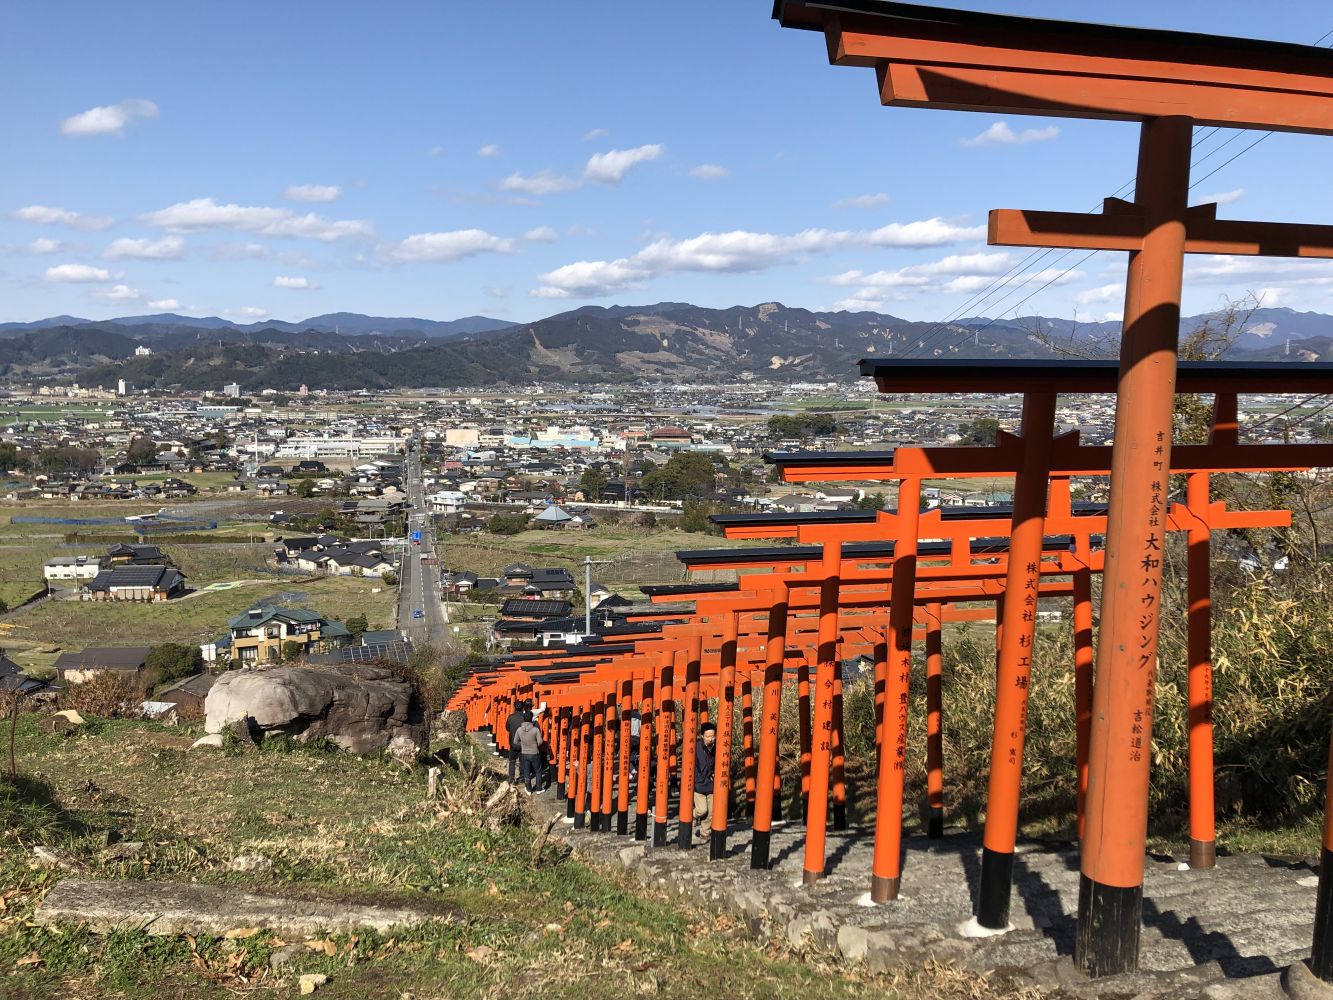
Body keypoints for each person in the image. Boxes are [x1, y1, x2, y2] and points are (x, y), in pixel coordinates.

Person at [693, 722, 717, 841]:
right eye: (708, 736)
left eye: (713, 736)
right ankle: (691, 815)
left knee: (710, 813)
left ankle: (705, 833)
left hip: (711, 784)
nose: (711, 739)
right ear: (702, 736)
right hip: (698, 785)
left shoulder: (718, 747)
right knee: (702, 810)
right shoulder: (696, 747)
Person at [515, 711, 544, 794]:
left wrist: (523, 745)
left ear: (523, 719)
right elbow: (540, 741)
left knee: (526, 772)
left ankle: (528, 789)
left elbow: (515, 741)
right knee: (538, 771)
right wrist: (535, 745)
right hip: (534, 753)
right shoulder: (535, 729)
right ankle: (539, 789)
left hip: (524, 753)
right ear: (532, 718)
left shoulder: (519, 729)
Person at [504, 700, 527, 785]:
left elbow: (507, 728)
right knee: (522, 761)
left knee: (512, 761)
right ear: (523, 707)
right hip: (523, 743)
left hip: (513, 743)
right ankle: (522, 777)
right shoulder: (525, 717)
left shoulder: (510, 717)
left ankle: (511, 778)